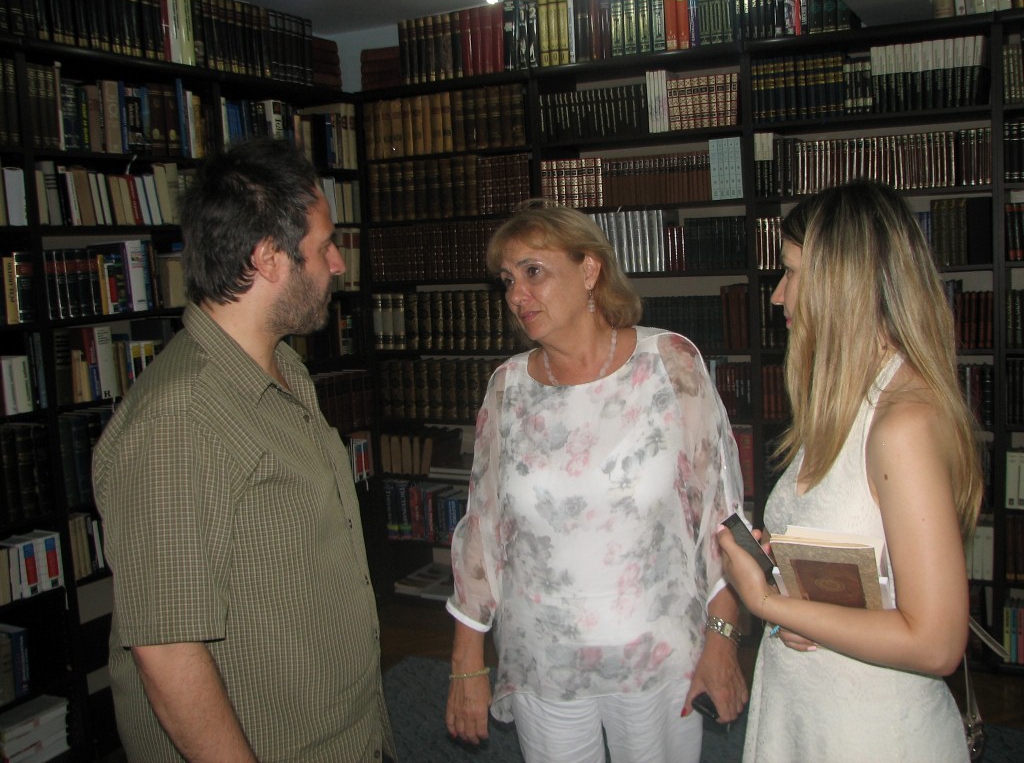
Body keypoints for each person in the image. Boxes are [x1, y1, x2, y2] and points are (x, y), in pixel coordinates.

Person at [93, 138, 396, 763]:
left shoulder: (286, 369)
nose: (338, 264)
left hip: (343, 730)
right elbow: (167, 651)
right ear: (267, 258)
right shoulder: (180, 420)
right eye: (323, 246)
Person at [444, 200, 748, 763]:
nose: (516, 294)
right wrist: (468, 661)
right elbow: (482, 529)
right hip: (543, 659)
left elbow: (722, 514)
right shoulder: (507, 388)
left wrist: (723, 639)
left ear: (589, 270)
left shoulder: (669, 363)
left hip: (659, 654)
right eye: (508, 280)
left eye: (533, 271)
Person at [717, 180, 982, 762]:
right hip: (821, 712)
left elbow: (936, 642)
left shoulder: (902, 423)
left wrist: (767, 602)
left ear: (843, 283)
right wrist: (790, 584)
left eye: (791, 273)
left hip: (873, 734)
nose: (778, 295)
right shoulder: (851, 400)